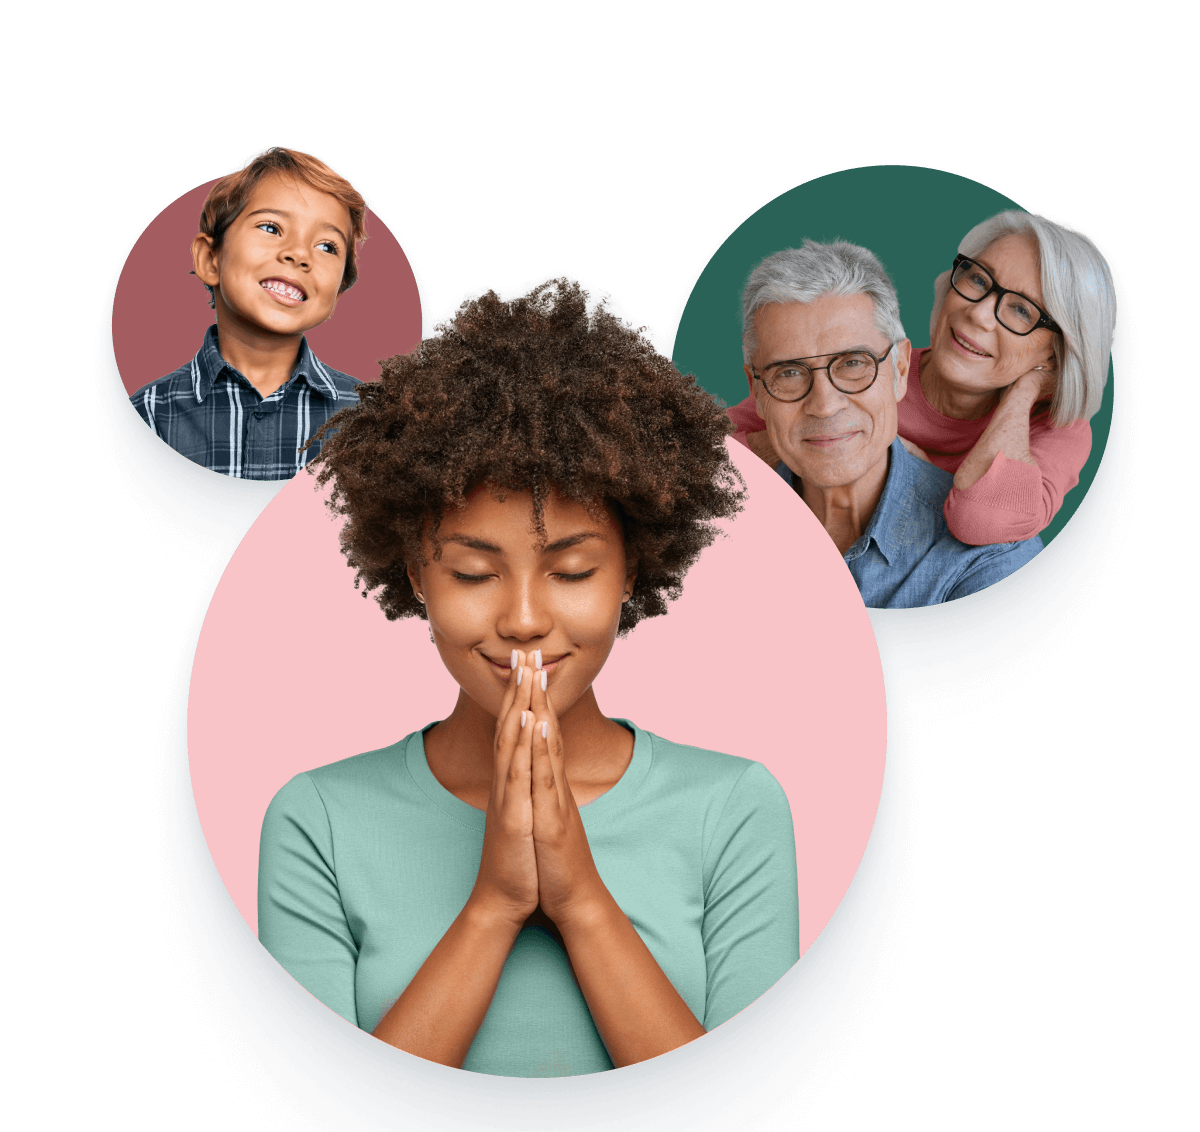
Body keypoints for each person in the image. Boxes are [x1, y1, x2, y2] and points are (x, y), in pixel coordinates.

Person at [258, 279, 801, 1078]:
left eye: (572, 570)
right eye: (474, 574)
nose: (522, 618)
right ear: (416, 573)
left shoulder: (735, 810)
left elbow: (741, 1108)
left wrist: (579, 898)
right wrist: (496, 904)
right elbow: (332, 1112)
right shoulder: (318, 822)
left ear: (631, 569)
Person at [728, 212, 1116, 545]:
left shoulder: (1057, 428)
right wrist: (851, 441)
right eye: (979, 280)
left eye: (1021, 310)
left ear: (1056, 350)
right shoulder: (869, 365)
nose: (978, 314)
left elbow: (984, 520)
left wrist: (1025, 391)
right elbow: (702, 452)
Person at [742, 241, 1042, 608]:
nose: (823, 405)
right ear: (756, 390)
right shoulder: (700, 530)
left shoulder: (990, 557)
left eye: (854, 363)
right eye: (788, 372)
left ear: (900, 370)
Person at [130, 147, 366, 479]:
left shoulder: (369, 420)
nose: (299, 254)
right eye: (271, 228)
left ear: (338, 291)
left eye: (327, 246)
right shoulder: (149, 413)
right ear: (210, 260)